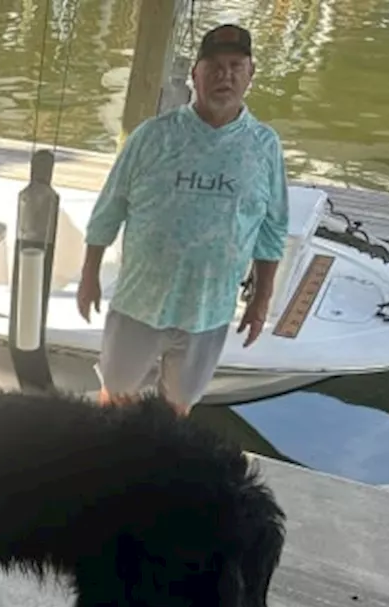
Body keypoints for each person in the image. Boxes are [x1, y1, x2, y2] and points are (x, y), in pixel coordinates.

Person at [76, 24, 290, 414]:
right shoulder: (151, 136)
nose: (224, 76)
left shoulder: (264, 146)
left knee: (177, 409)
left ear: (250, 73)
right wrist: (89, 273)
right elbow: (110, 207)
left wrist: (262, 298)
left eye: (234, 66)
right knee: (116, 400)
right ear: (195, 75)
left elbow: (272, 229)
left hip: (208, 308)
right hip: (140, 302)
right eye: (213, 67)